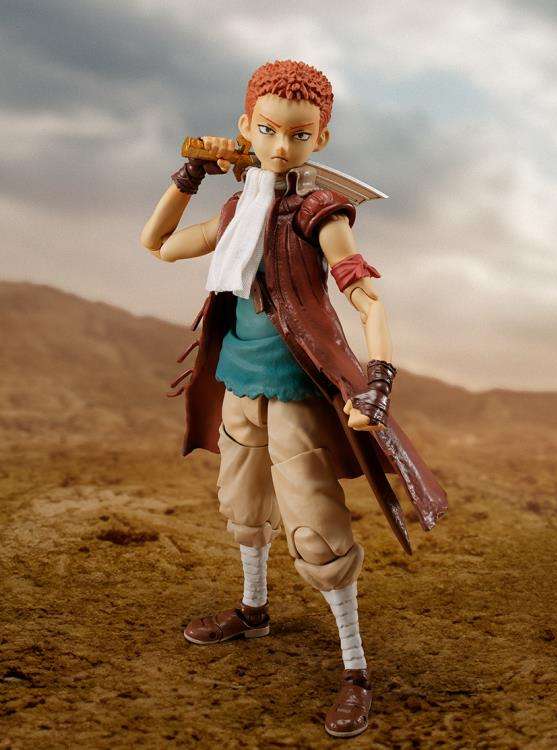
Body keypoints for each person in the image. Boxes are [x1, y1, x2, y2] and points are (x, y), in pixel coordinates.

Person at [141, 60, 447, 739]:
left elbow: (368, 300)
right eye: (269, 130)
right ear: (245, 128)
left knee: (315, 531)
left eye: (300, 135)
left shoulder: (319, 212)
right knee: (243, 507)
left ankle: (355, 670)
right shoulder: (236, 210)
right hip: (239, 384)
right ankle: (254, 610)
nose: (282, 147)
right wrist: (188, 175)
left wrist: (378, 384)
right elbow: (157, 245)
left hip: (296, 393)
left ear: (321, 140)